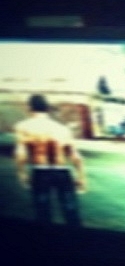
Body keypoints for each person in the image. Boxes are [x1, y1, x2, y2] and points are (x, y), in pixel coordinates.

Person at [14, 94, 86, 226]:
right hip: (63, 171)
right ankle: (77, 237)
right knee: (71, 212)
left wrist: (21, 173)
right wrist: (81, 177)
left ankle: (47, 238)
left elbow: (20, 152)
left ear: (29, 107)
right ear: (47, 108)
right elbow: (75, 155)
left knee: (43, 213)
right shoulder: (62, 129)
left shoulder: (23, 126)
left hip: (40, 172)